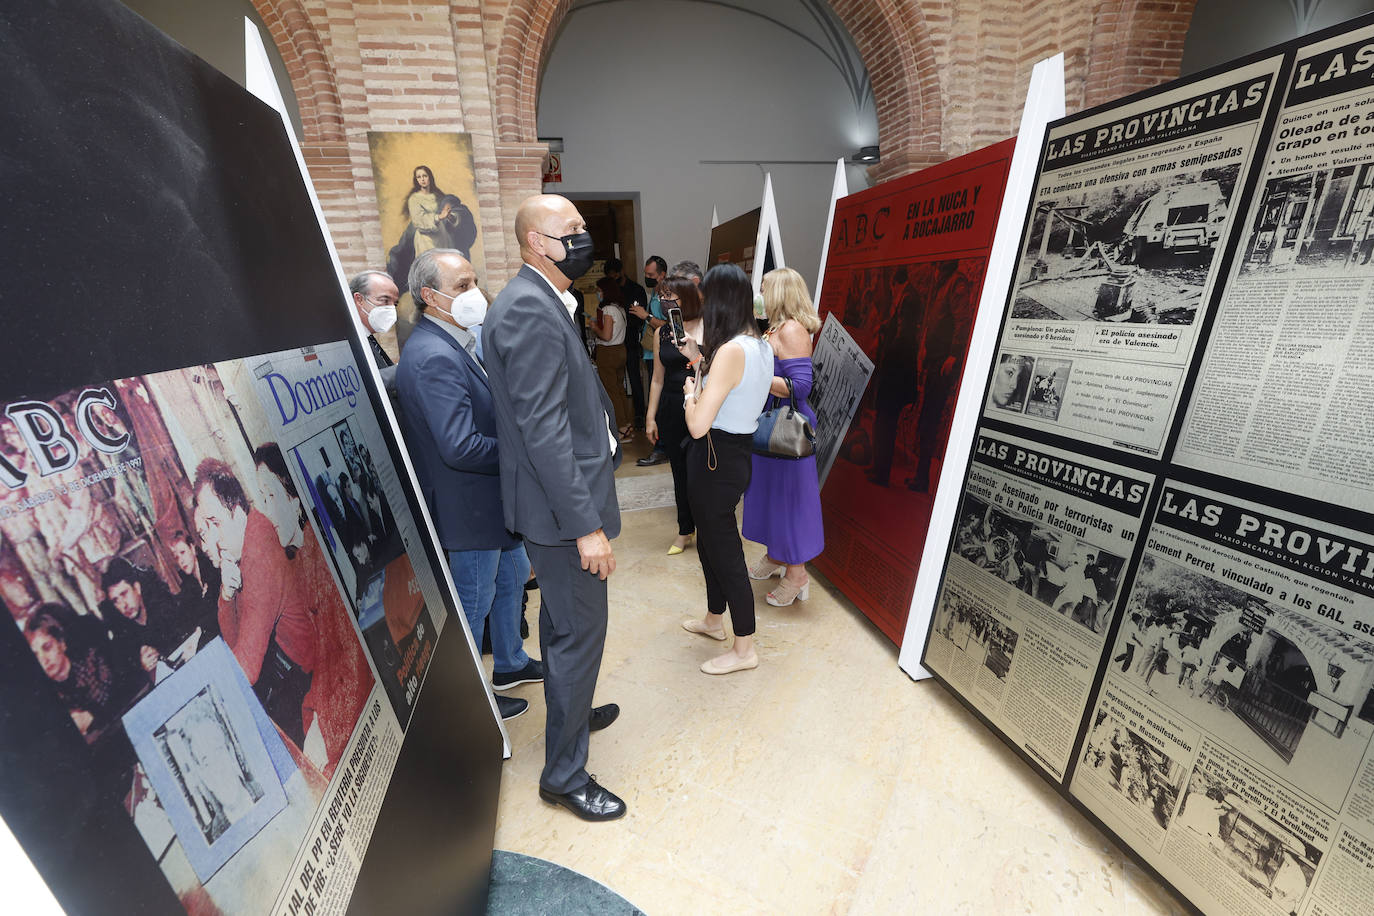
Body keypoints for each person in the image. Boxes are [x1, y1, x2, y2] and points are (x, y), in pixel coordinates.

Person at [483, 194, 624, 821]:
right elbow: (544, 434)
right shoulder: (527, 310)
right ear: (538, 242)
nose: (583, 237)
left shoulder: (537, 300)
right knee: (579, 632)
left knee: (566, 626)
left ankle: (577, 704)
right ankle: (564, 776)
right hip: (562, 515)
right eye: (572, 230)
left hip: (558, 508)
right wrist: (586, 526)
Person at [395, 247, 539, 722]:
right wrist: (520, 455)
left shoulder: (451, 340)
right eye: (461, 286)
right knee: (472, 601)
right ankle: (475, 698)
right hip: (469, 508)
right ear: (428, 296)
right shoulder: (434, 354)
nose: (474, 293)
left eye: (474, 282)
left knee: (514, 576)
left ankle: (511, 663)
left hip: (489, 501)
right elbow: (459, 445)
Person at [253, 443, 373, 776]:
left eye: (271, 497)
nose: (265, 511)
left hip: (347, 700)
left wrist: (325, 732)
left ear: (294, 498)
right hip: (327, 695)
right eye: (260, 500)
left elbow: (350, 662)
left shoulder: (320, 557)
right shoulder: (301, 557)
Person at [679, 263, 774, 674]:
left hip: (715, 457)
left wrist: (688, 396)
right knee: (711, 544)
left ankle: (744, 648)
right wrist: (699, 363)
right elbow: (732, 395)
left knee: (725, 552)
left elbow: (698, 424)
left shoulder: (733, 350)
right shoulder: (758, 344)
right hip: (732, 455)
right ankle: (714, 620)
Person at [192, 458, 316, 747]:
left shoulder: (257, 551)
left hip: (303, 680)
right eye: (205, 528)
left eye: (215, 523)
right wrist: (226, 594)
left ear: (236, 510)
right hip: (284, 669)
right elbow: (235, 642)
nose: (212, 540)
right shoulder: (245, 539)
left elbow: (246, 669)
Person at [742, 267, 824, 606]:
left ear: (778, 292)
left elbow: (801, 387)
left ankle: (797, 574)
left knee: (790, 502)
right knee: (770, 496)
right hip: (768, 425)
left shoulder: (792, 330)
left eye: (763, 288)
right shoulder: (774, 327)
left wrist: (758, 374)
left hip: (788, 431)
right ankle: (776, 555)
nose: (758, 294)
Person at [645, 276, 700, 555]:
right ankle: (684, 529)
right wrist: (650, 416)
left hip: (700, 403)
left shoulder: (705, 327)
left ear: (686, 297)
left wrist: (693, 352)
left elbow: (713, 369)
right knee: (679, 471)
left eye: (671, 296)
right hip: (670, 405)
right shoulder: (661, 333)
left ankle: (707, 525)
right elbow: (657, 378)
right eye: (662, 297)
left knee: (700, 472)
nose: (665, 302)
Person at [25, 605, 139, 739]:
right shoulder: (46, 696)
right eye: (36, 656)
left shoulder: (93, 662)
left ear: (61, 643)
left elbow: (124, 699)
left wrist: (93, 718)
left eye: (47, 647)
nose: (43, 659)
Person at [867, 266, 924, 487]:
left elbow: (903, 337)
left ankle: (881, 472)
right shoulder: (906, 298)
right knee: (882, 420)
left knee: (886, 423)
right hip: (894, 373)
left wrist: (886, 350)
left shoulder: (908, 299)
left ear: (894, 283)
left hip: (896, 374)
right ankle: (878, 466)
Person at [386, 165, 478, 296]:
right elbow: (418, 221)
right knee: (431, 274)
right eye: (419, 177)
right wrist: (438, 217)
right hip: (426, 240)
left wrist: (450, 217)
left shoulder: (439, 196)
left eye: (425, 176)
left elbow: (448, 213)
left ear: (430, 177)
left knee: (447, 271)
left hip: (443, 237)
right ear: (416, 180)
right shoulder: (414, 199)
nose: (422, 179)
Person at [101, 558, 183, 682]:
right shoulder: (122, 637)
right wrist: (143, 668)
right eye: (116, 601)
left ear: (137, 588)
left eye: (124, 594)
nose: (123, 604)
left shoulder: (165, 606)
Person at [633, 255, 671, 467]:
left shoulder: (666, 295)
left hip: (661, 355)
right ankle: (661, 446)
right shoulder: (655, 293)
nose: (647, 278)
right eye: (646, 274)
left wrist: (644, 316)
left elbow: (668, 324)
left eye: (651, 275)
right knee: (657, 402)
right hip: (652, 353)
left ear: (662, 275)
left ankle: (662, 448)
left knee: (660, 404)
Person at [603, 257, 648, 426]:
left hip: (629, 342)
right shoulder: (611, 292)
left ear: (621, 272)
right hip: (614, 344)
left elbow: (639, 318)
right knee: (616, 384)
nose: (613, 279)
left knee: (635, 378)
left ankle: (639, 416)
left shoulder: (636, 290)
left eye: (615, 275)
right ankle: (621, 419)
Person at [591, 276, 634, 440]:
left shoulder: (608, 309)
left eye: (599, 290)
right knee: (619, 390)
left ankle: (621, 428)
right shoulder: (619, 308)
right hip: (620, 351)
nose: (597, 293)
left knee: (611, 392)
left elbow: (606, 336)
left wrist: (595, 327)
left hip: (608, 352)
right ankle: (627, 426)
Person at [349, 269, 402, 391]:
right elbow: (359, 385)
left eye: (395, 304)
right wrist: (406, 369)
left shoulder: (369, 338)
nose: (391, 309)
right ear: (359, 299)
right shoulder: (346, 343)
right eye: (384, 300)